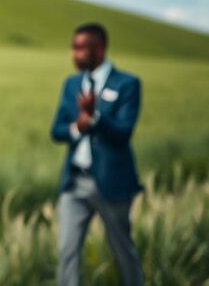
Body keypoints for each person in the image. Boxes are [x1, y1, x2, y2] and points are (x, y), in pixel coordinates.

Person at [50, 23, 144, 286]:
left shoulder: (127, 84)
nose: (74, 54)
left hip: (111, 183)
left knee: (122, 250)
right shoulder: (71, 84)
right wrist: (77, 126)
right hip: (74, 181)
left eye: (80, 48)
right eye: (73, 48)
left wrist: (94, 117)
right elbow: (57, 131)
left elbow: (123, 133)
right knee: (66, 251)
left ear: (99, 49)